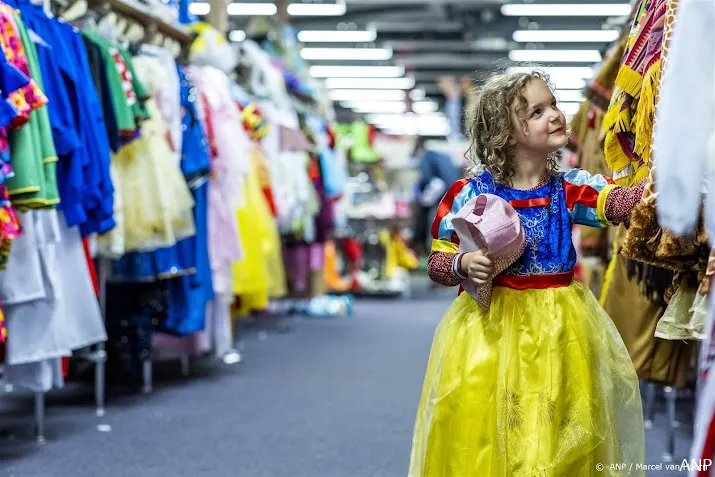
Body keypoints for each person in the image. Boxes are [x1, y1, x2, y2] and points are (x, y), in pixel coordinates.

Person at [408, 70, 646, 476]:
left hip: (560, 328)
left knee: (558, 423)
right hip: (489, 331)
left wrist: (659, 184)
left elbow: (616, 202)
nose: (554, 115)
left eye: (553, 104)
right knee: (490, 426)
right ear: (505, 133)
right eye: (537, 112)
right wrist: (463, 264)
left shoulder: (568, 187)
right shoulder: (469, 195)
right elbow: (437, 262)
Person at [410, 137, 461, 262]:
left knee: (430, 222)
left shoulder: (426, 156)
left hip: (441, 193)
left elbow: (432, 180)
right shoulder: (443, 156)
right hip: (453, 194)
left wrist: (422, 200)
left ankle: (432, 255)